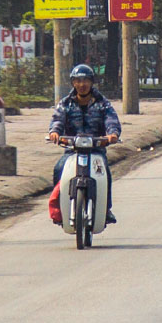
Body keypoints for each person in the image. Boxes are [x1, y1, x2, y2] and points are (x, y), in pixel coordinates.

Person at [47, 64, 122, 225]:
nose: (82, 84)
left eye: (86, 80)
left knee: (105, 174)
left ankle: (106, 209)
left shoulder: (103, 103)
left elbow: (111, 120)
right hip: (72, 150)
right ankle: (60, 208)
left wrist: (112, 134)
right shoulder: (65, 103)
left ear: (92, 82)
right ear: (73, 83)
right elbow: (57, 120)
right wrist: (55, 132)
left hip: (96, 150)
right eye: (78, 81)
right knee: (58, 169)